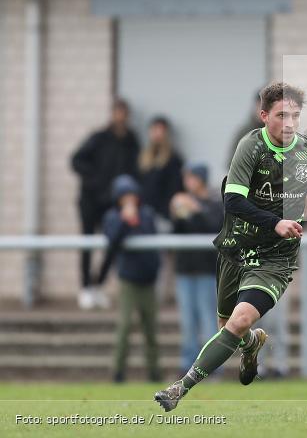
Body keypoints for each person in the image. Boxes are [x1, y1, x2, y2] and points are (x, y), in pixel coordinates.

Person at [154, 82, 307, 411]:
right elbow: (232, 200)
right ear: (264, 116)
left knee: (240, 318)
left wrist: (302, 211)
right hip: (236, 248)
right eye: (281, 115)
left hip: (275, 257)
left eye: (295, 115)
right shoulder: (249, 146)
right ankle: (251, 344)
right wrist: (274, 220)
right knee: (229, 328)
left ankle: (180, 387)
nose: (290, 123)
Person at [71, 98, 140, 309]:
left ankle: (98, 285)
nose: (120, 116)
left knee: (113, 244)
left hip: (113, 204)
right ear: (112, 114)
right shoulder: (99, 138)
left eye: (123, 113)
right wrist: (96, 181)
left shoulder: (131, 141)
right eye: (117, 112)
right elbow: (76, 160)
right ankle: (84, 288)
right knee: (87, 242)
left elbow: (136, 169)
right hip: (90, 200)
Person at [103, 175, 161, 383]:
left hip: (148, 279)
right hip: (128, 280)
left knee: (151, 329)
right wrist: (124, 221)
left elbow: (150, 236)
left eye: (132, 195)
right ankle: (118, 372)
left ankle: (155, 373)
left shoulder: (146, 214)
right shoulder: (112, 216)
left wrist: (136, 220)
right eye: (124, 196)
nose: (129, 200)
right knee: (125, 326)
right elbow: (113, 240)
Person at [170, 163, 222, 376]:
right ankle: (188, 365)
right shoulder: (184, 201)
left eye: (191, 177)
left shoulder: (214, 203)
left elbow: (214, 226)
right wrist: (175, 212)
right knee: (188, 322)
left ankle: (211, 366)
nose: (187, 181)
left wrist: (195, 209)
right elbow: (177, 232)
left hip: (207, 271)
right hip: (185, 270)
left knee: (209, 320)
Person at [139, 116, 184, 220]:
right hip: (144, 212)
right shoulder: (142, 158)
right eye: (155, 130)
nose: (158, 134)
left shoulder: (173, 159)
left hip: (163, 214)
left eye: (161, 130)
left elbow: (175, 189)